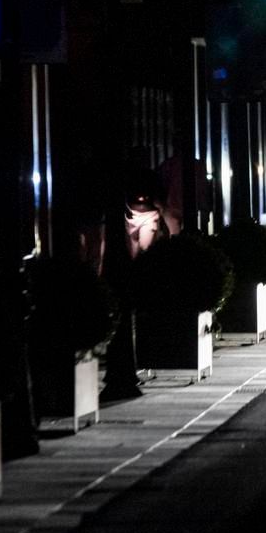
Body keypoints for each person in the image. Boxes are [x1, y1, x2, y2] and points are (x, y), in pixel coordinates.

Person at [95, 168, 169, 400]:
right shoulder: (142, 177)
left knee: (140, 255)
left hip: (140, 215)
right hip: (133, 215)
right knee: (137, 256)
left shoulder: (137, 177)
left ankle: (121, 372)